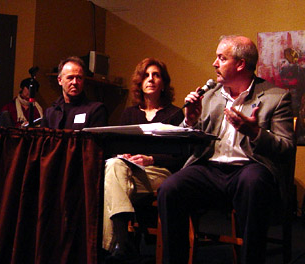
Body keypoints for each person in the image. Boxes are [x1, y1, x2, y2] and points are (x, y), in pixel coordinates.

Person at [157, 35, 296, 264]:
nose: (214, 63)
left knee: (254, 183)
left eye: (221, 58)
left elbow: (287, 148)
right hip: (210, 168)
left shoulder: (276, 97)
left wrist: (255, 133)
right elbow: (193, 142)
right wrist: (190, 121)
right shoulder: (210, 95)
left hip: (249, 167)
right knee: (170, 188)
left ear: (240, 64)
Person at [103, 58, 185, 260]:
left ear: (164, 84)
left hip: (160, 172)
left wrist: (151, 158)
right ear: (139, 83)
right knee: (114, 165)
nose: (151, 79)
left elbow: (180, 157)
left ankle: (114, 245)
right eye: (146, 76)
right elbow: (117, 148)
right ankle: (123, 244)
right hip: (128, 171)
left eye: (156, 75)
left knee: (111, 183)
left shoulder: (174, 114)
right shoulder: (129, 114)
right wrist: (123, 156)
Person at [41, 56, 108, 129]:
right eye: (70, 78)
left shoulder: (95, 110)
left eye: (79, 78)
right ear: (60, 80)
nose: (75, 82)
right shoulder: (50, 113)